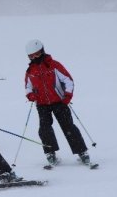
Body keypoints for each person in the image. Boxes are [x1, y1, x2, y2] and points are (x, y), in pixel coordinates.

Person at [23, 39, 91, 168]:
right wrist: (30, 95)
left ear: (42, 52)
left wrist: (67, 96)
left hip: (59, 102)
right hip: (42, 104)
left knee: (68, 127)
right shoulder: (30, 71)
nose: (35, 57)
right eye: (32, 56)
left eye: (37, 54)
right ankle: (50, 152)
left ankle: (82, 152)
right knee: (44, 129)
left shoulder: (54, 65)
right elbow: (28, 86)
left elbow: (69, 81)